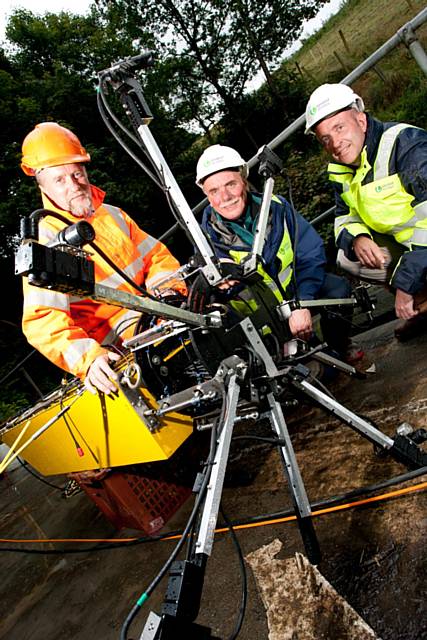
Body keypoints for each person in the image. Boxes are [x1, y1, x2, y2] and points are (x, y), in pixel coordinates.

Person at [20, 122, 187, 395]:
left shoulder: (112, 215)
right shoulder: (45, 243)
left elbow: (156, 256)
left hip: (159, 318)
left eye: (77, 173)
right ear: (43, 186)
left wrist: (168, 291)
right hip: (119, 350)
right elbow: (42, 319)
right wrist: (89, 359)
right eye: (60, 180)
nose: (74, 185)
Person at [195, 144, 360, 361]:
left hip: (297, 292)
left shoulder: (276, 206)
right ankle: (305, 352)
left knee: (338, 291)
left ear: (243, 181)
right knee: (316, 372)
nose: (224, 196)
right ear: (206, 195)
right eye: (214, 191)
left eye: (230, 184)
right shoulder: (204, 240)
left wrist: (302, 303)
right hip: (261, 319)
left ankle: (339, 346)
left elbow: (310, 253)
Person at [305, 83, 427, 339]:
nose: (335, 143)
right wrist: (358, 237)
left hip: (422, 246)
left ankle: (415, 300)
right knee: (347, 257)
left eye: (339, 127)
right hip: (413, 249)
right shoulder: (343, 169)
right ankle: (420, 307)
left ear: (360, 120)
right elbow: (343, 217)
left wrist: (405, 283)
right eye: (325, 138)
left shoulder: (405, 145)